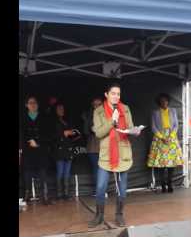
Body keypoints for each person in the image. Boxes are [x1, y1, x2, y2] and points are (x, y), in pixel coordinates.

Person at [89, 81, 140, 228]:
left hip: (123, 152)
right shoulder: (98, 111)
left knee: (122, 189)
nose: (116, 96)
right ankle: (99, 216)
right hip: (106, 154)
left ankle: (119, 215)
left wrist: (134, 131)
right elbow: (98, 133)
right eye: (113, 93)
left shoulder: (126, 108)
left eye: (118, 94)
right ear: (106, 95)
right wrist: (112, 120)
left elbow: (130, 127)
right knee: (100, 187)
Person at [21, 96, 55, 205]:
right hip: (28, 149)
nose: (33, 104)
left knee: (43, 172)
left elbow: (49, 134)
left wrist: (38, 142)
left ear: (38, 104)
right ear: (26, 105)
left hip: (41, 149)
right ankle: (27, 195)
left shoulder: (45, 117)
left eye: (35, 102)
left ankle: (45, 196)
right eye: (30, 103)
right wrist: (28, 141)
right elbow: (21, 134)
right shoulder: (22, 117)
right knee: (27, 172)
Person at [147, 93, 184, 193]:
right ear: (159, 102)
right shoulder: (155, 112)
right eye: (162, 101)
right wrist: (162, 137)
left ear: (168, 101)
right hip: (160, 138)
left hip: (171, 138)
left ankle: (170, 183)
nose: (164, 102)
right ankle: (163, 184)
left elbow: (176, 125)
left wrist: (171, 136)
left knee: (171, 163)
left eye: (166, 101)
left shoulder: (173, 111)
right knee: (161, 164)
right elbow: (153, 127)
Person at [54, 102, 81, 201]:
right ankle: (59, 194)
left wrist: (72, 133)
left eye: (62, 108)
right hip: (59, 150)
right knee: (60, 172)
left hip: (68, 149)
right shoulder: (54, 121)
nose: (61, 110)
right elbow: (54, 135)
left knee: (67, 172)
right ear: (56, 110)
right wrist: (63, 133)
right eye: (59, 108)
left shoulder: (67, 121)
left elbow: (74, 135)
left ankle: (66, 193)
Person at [81, 97, 103, 192]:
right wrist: (91, 128)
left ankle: (102, 189)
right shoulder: (88, 116)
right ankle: (98, 190)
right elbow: (85, 131)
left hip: (103, 147)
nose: (97, 106)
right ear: (92, 106)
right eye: (95, 105)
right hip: (93, 147)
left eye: (99, 104)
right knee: (96, 169)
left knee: (103, 169)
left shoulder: (106, 115)